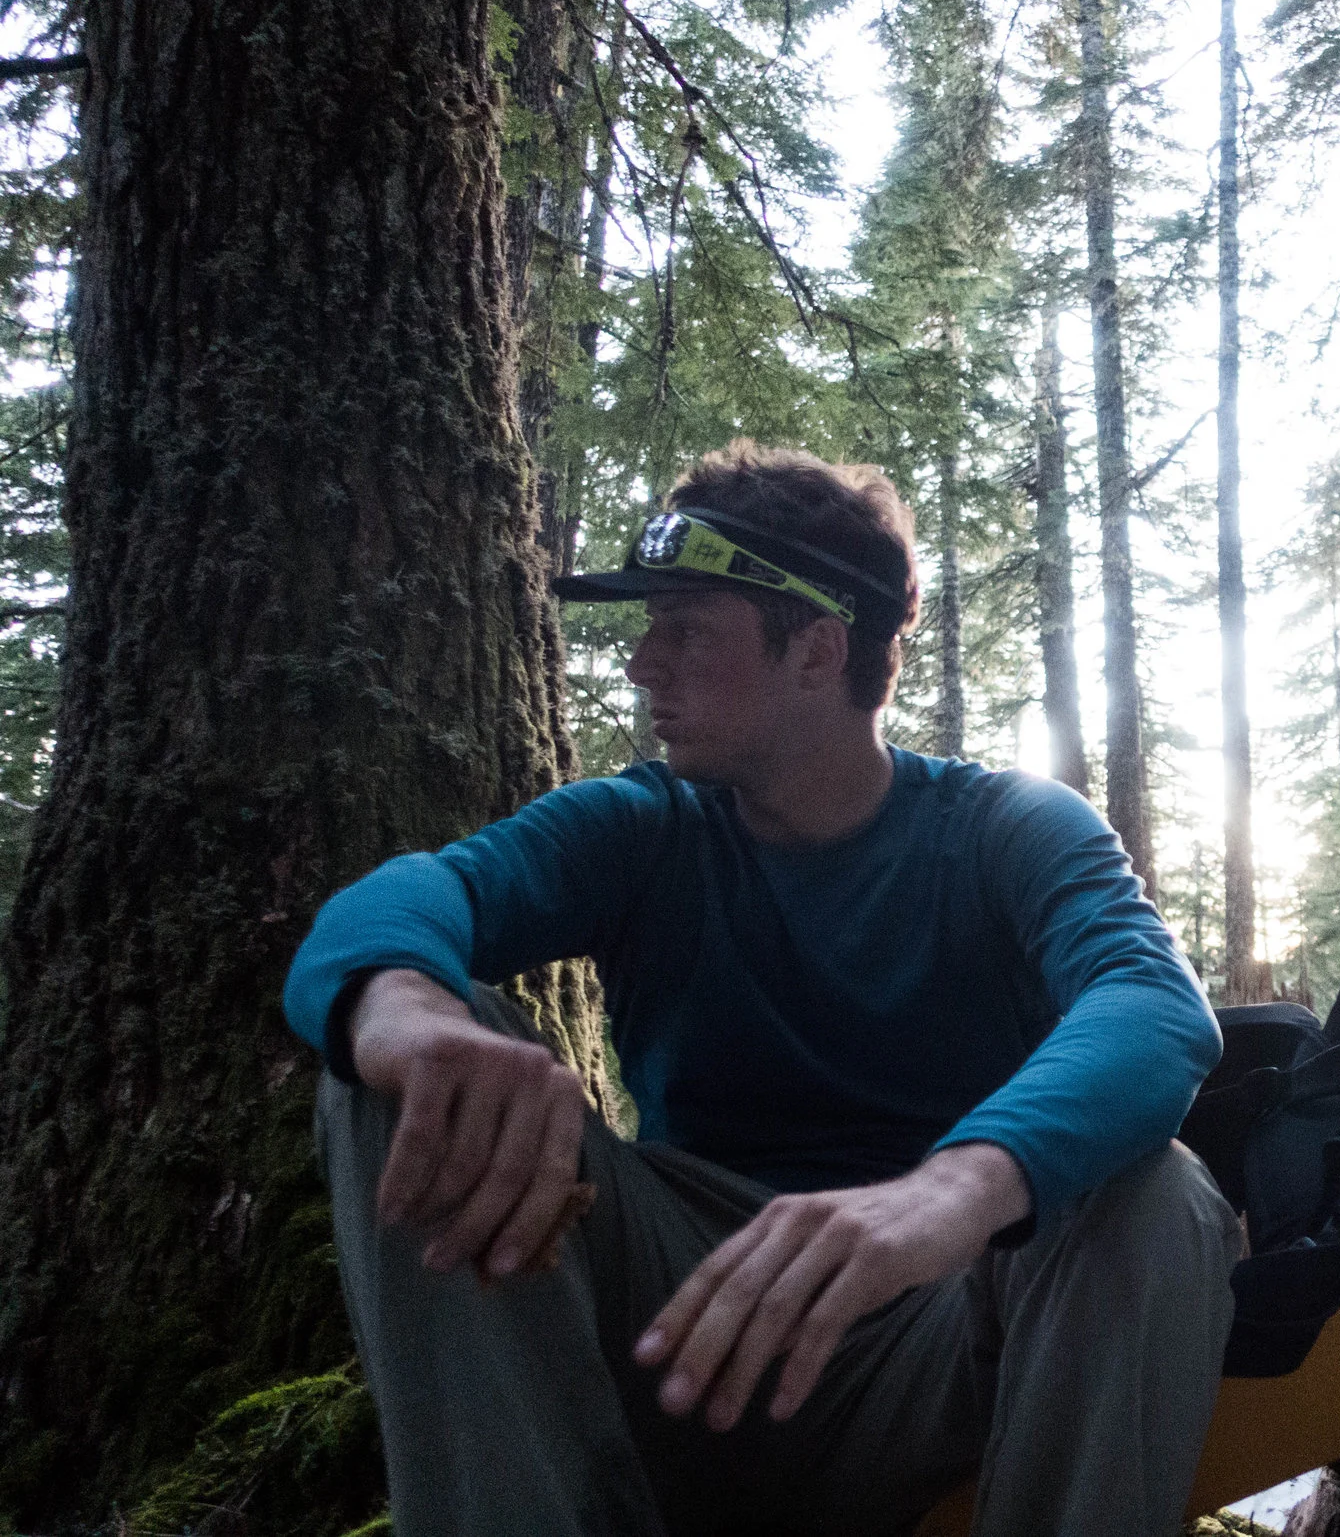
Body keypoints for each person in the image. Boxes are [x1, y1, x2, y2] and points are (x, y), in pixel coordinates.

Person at [284, 440, 1236, 1537]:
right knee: (408, 1060)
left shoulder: (1002, 828)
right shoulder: (644, 827)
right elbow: (398, 905)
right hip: (679, 1325)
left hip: (930, 1340)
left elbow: (1151, 1001)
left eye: (686, 628)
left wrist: (948, 1191)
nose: (642, 663)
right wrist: (405, 1015)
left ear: (817, 650)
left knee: (1154, 1191)